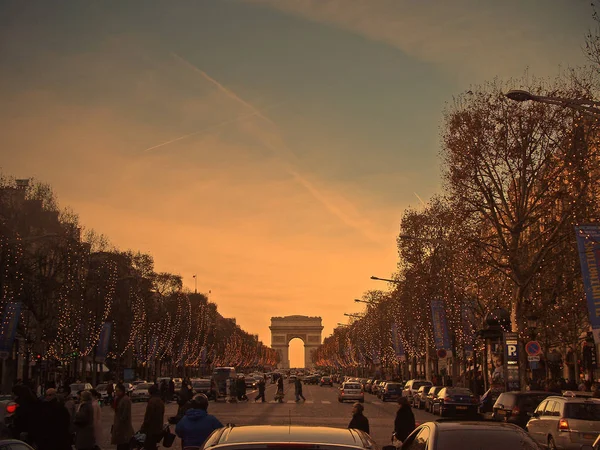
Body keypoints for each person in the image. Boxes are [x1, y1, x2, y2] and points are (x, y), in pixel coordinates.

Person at [140, 385, 165, 450]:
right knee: (152, 445)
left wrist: (143, 427)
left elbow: (148, 416)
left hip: (151, 429)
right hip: (158, 427)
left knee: (148, 446)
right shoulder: (160, 401)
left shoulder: (152, 401)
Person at [111, 383, 134, 450]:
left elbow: (125, 415)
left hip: (123, 428)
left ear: (122, 391)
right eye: (115, 391)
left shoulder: (125, 400)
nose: (116, 392)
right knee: (120, 445)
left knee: (124, 445)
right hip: (119, 427)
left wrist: (119, 424)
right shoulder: (118, 399)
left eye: (117, 391)